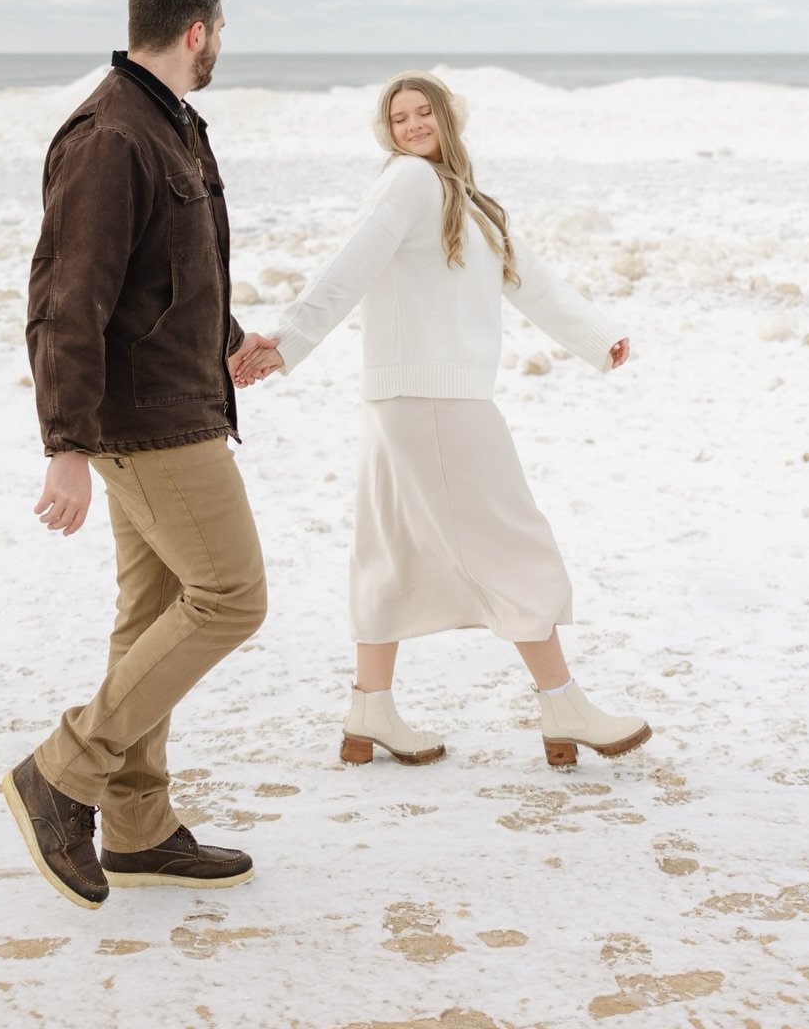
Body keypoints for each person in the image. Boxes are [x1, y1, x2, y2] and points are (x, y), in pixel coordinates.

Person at [234, 71, 651, 771]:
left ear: (447, 118)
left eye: (424, 111)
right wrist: (289, 340)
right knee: (514, 542)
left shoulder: (465, 196)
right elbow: (352, 264)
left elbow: (531, 279)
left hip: (413, 399)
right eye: (399, 117)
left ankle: (370, 708)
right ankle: (563, 703)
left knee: (389, 549)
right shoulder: (407, 182)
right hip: (431, 399)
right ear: (387, 131)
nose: (413, 124)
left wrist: (594, 334)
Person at [2, 0, 279, 910]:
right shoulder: (114, 134)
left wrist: (230, 338)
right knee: (231, 597)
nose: (221, 46)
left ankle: (137, 827)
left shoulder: (165, 122)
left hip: (174, 394)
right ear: (198, 30)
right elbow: (66, 298)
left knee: (151, 612)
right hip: (148, 421)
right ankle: (61, 772)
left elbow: (163, 270)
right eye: (222, 31)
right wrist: (65, 444)